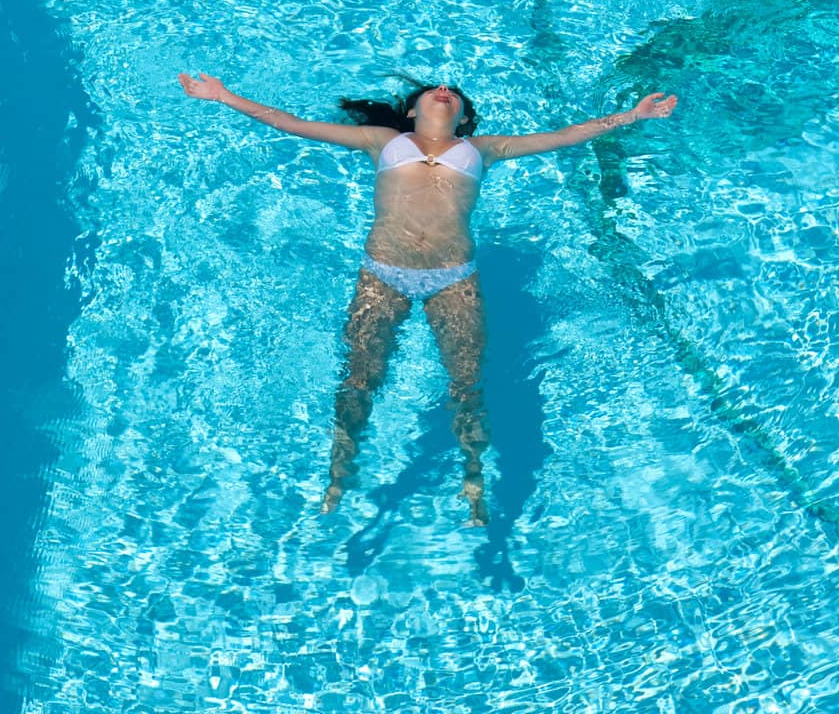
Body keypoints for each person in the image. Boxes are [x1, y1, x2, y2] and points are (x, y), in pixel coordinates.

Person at [177, 68, 677, 524]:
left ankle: (474, 475)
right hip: (383, 274)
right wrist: (224, 96)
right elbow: (291, 123)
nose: (445, 92)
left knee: (466, 383)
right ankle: (340, 470)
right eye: (435, 91)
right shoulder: (381, 140)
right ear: (412, 111)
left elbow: (564, 137)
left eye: (455, 95)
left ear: (464, 117)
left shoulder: (481, 149)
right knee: (359, 377)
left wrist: (630, 117)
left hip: (453, 278)